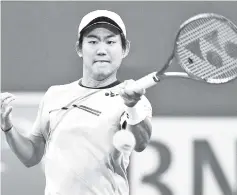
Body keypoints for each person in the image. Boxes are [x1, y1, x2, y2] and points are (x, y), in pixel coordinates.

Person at [1, 10, 152, 195]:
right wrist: (8, 128)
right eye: (93, 41)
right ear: (79, 48)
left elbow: (140, 143)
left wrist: (132, 105)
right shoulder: (54, 95)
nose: (102, 50)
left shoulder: (133, 99)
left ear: (125, 49)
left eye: (111, 42)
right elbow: (31, 156)